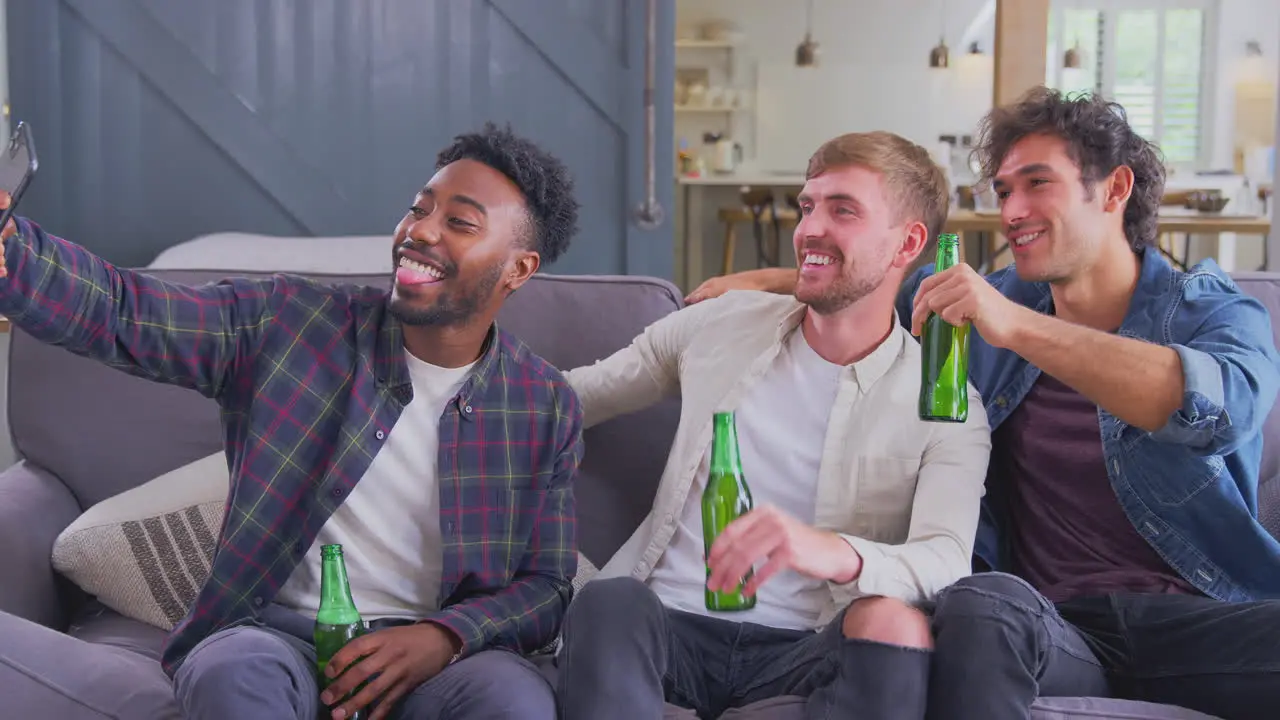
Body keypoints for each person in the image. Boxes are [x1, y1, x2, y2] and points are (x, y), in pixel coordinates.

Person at [686, 87, 1280, 720]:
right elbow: (886, 282)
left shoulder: (1210, 311)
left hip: (1201, 619)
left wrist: (1018, 326)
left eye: (1036, 183)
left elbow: (1216, 409)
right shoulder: (986, 307)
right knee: (977, 603)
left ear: (1113, 190)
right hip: (1052, 627)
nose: (1012, 211)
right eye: (1002, 192)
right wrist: (767, 282)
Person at [0, 123, 584, 720]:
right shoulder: (288, 324)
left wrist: (445, 638)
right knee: (230, 673)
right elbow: (124, 312)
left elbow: (546, 586)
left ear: (518, 268)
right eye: (419, 208)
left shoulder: (543, 404)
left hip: (443, 662)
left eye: (459, 223)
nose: (420, 231)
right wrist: (9, 255)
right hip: (275, 637)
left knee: (513, 700)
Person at [555, 131, 992, 720]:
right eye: (807, 206)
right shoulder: (719, 325)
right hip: (665, 625)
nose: (810, 228)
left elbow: (945, 559)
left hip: (810, 645)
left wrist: (828, 551)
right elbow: (567, 399)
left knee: (894, 622)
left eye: (843, 210)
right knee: (608, 602)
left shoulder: (945, 401)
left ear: (907, 243)